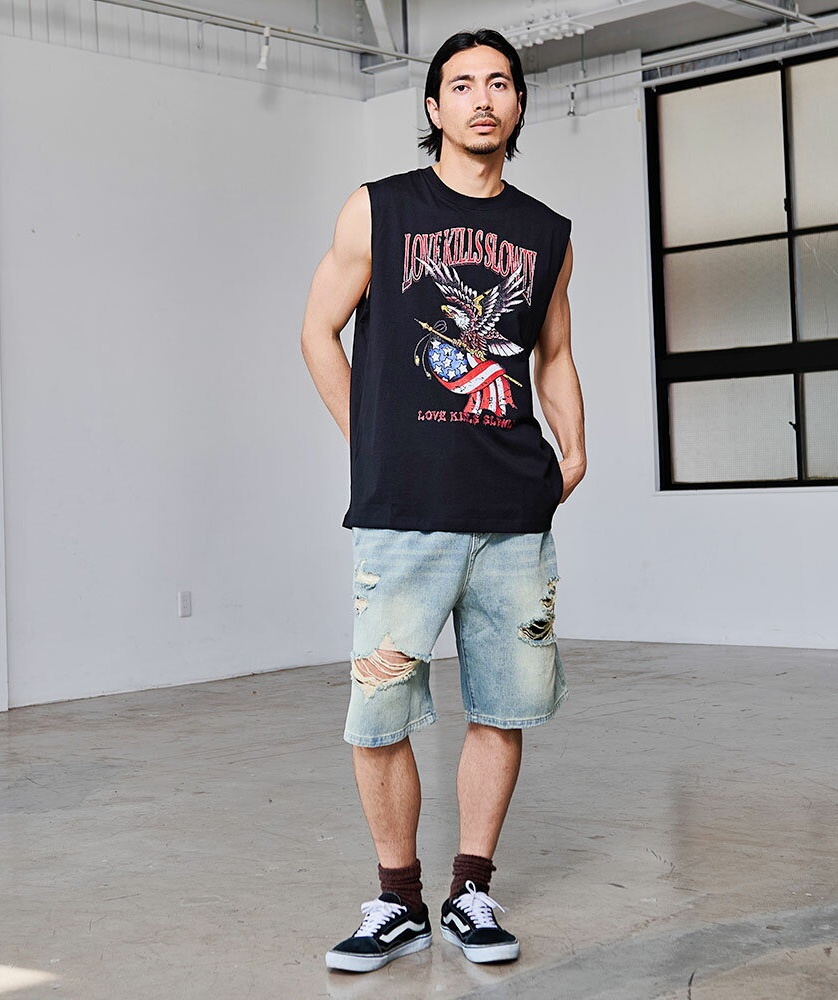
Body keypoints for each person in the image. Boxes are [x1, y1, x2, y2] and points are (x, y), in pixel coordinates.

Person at [300, 26, 586, 974]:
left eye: (499, 83)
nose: (481, 98)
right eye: (461, 84)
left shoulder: (546, 233)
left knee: (501, 708)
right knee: (379, 714)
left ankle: (471, 890)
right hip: (404, 514)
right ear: (433, 108)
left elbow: (553, 354)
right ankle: (397, 902)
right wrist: (369, 440)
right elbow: (316, 331)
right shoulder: (378, 209)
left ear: (518, 103)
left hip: (511, 517)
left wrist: (575, 449)